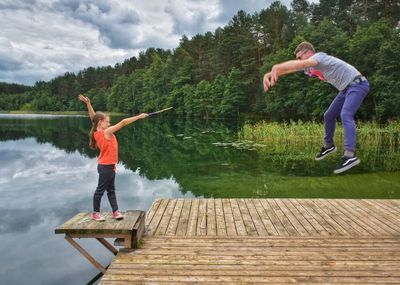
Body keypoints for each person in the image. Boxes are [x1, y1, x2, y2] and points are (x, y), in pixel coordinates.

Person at [263, 41, 370, 174]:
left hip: (358, 85)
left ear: (308, 52)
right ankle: (328, 146)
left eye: (299, 57)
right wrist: (269, 74)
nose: (298, 60)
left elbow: (299, 64)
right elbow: (292, 68)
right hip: (345, 89)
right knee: (328, 115)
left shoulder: (319, 57)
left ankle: (349, 155)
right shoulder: (309, 66)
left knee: (345, 114)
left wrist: (276, 66)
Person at [79, 94, 148, 221]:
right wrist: (139, 116)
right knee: (100, 190)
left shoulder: (96, 131)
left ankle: (115, 211)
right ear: (101, 122)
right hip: (106, 167)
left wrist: (88, 103)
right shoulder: (106, 132)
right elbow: (123, 122)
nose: (109, 123)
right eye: (108, 121)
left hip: (109, 166)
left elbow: (93, 118)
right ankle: (95, 213)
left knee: (111, 190)